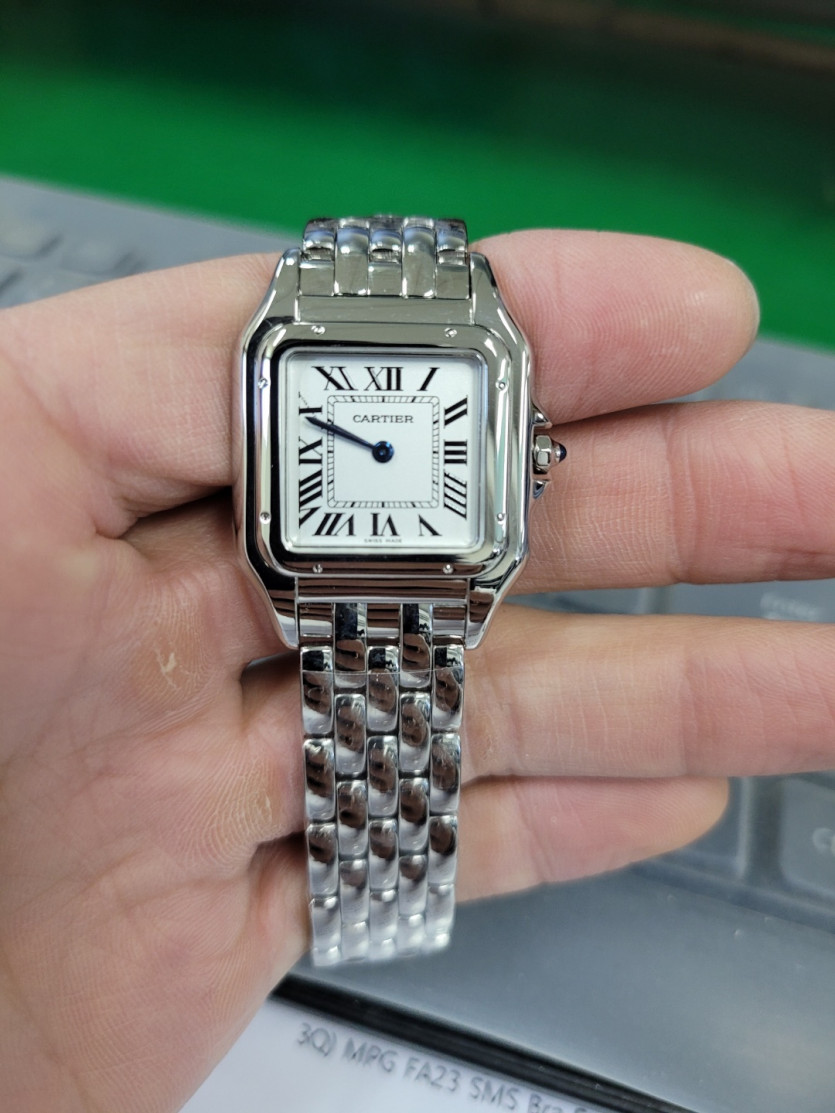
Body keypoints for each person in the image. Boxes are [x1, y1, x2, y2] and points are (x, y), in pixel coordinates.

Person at [0, 229, 832, 1112]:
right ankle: (377, 906)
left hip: (406, 587)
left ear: (526, 456)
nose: (383, 451)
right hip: (328, 582)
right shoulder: (303, 352)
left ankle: (379, 906)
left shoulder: (403, 355)